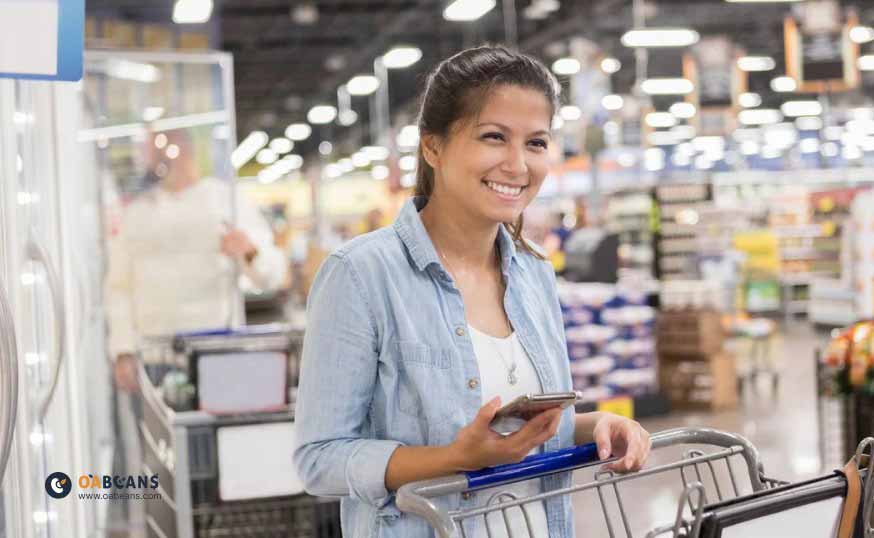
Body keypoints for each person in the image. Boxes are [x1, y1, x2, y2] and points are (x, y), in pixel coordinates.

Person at [294, 46, 651, 538]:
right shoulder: (361, 275)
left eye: (536, 143)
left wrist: (596, 426)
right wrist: (455, 460)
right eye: (493, 137)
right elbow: (320, 459)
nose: (517, 164)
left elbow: (524, 429)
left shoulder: (534, 273)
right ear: (433, 147)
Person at [106, 128, 288, 390]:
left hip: (215, 351)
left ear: (186, 149)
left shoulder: (224, 200)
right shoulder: (137, 213)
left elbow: (272, 274)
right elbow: (119, 288)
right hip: (154, 355)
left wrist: (248, 251)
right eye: (154, 150)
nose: (161, 158)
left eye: (167, 147)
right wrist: (123, 350)